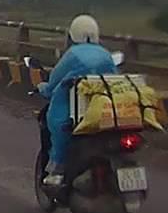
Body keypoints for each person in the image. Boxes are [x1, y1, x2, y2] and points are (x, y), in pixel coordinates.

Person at [38, 14, 117, 187]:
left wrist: (43, 88)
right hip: (103, 109)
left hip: (73, 109)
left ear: (72, 34)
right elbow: (115, 79)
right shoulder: (105, 54)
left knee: (57, 125)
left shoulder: (72, 55)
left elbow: (54, 81)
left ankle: (58, 169)